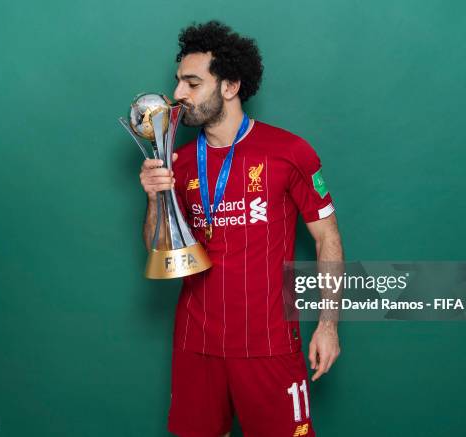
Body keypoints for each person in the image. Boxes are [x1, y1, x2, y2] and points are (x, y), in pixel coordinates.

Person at [139, 20, 343, 437]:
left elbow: (327, 238)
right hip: (196, 343)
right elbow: (161, 250)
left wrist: (328, 324)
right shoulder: (175, 161)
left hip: (268, 344)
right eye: (179, 82)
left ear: (229, 86)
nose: (178, 94)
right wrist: (154, 197)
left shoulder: (290, 152)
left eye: (192, 83)